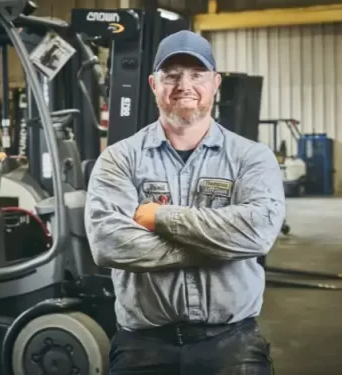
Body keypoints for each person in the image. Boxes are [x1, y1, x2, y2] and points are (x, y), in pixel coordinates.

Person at [85, 30, 285, 375]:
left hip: (232, 343)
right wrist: (220, 246)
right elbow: (108, 244)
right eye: (172, 75)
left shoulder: (251, 157)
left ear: (216, 82)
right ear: (152, 84)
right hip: (142, 347)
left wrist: (161, 217)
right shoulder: (120, 159)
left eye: (197, 75)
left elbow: (259, 232)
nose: (184, 85)